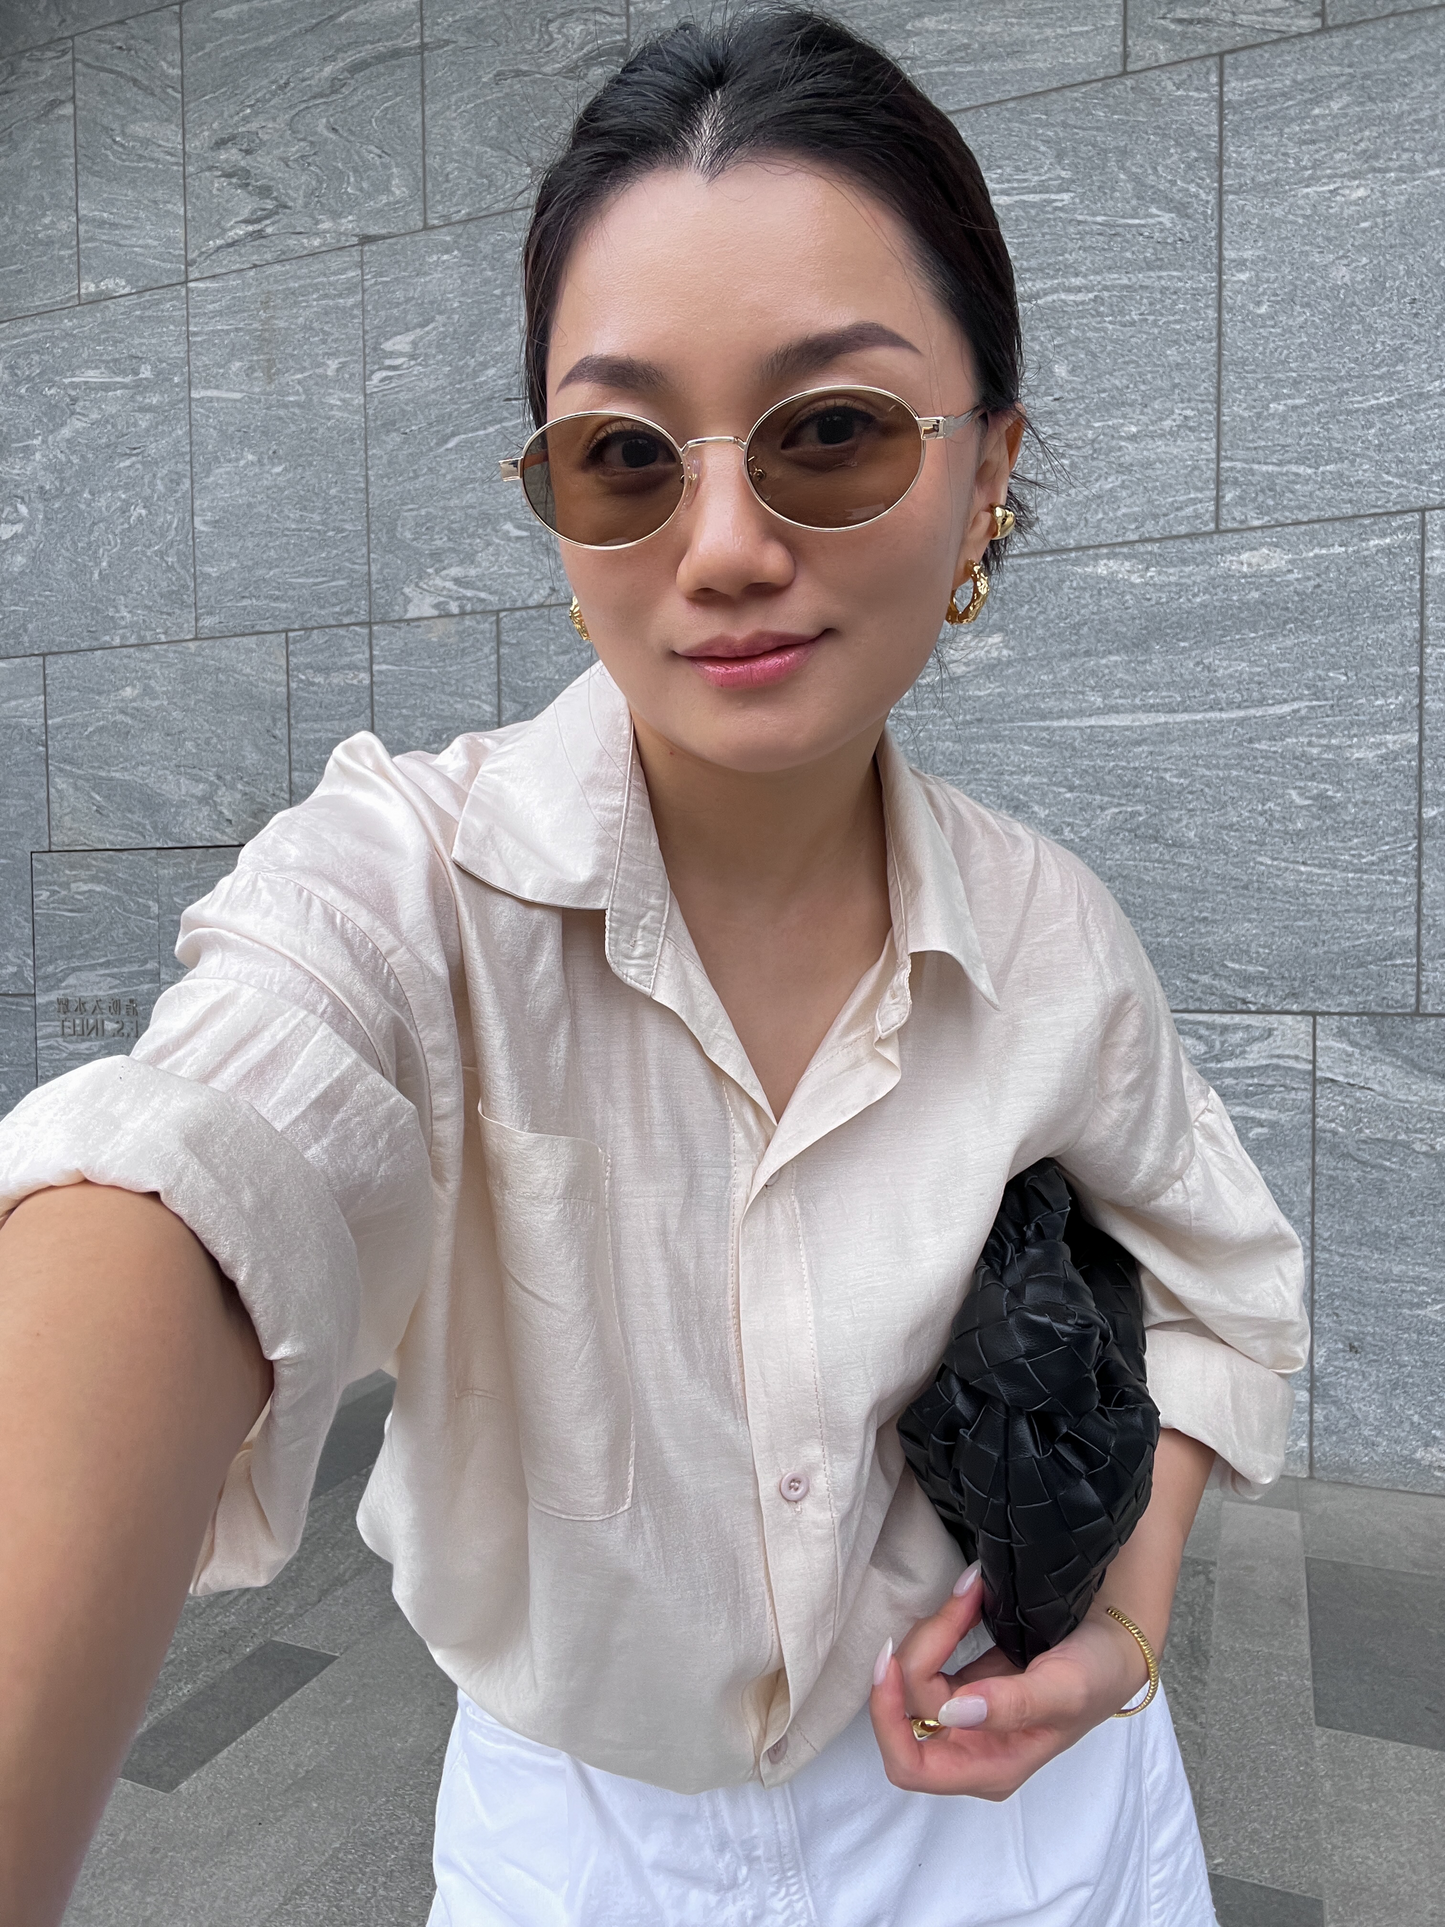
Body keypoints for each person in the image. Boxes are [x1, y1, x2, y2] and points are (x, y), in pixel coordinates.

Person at [0, 11, 1308, 1925]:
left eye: (834, 434)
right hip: (575, 1850)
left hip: (1030, 1832)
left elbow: (1220, 1284)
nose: (719, 545)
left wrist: (1123, 1613)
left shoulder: (1047, 935)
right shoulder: (414, 887)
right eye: (623, 454)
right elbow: (193, 1161)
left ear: (990, 470)